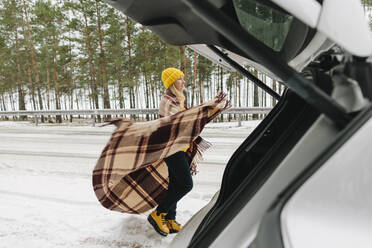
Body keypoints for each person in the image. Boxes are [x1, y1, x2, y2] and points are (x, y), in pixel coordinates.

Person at [147, 67, 193, 236]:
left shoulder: (178, 100)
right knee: (186, 185)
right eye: (180, 78)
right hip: (171, 149)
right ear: (172, 82)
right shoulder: (168, 101)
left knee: (176, 183)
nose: (183, 81)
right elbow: (175, 124)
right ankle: (158, 213)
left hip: (178, 147)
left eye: (183, 78)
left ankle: (170, 218)